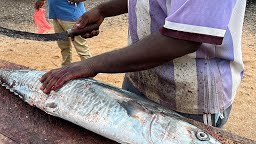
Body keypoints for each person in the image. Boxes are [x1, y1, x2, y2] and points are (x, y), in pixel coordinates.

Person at [39, 0, 246, 128]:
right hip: (138, 82)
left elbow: (183, 39)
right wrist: (104, 9)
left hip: (189, 101)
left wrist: (90, 65)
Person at [35, 0, 92, 66]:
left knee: (81, 49)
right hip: (56, 15)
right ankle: (65, 68)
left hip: (72, 16)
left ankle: (89, 69)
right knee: (63, 46)